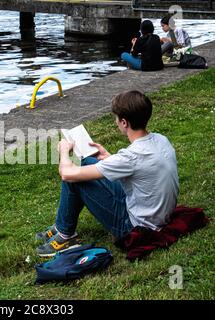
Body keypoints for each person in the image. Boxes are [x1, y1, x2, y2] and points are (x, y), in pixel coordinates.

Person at [36, 91, 179, 257]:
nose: (115, 122)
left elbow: (67, 174)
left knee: (74, 175)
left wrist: (63, 152)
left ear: (124, 122)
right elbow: (141, 168)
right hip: (156, 214)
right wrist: (109, 158)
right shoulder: (161, 139)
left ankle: (65, 235)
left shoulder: (131, 157)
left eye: (116, 118)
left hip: (134, 226)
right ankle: (62, 224)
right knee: (87, 163)